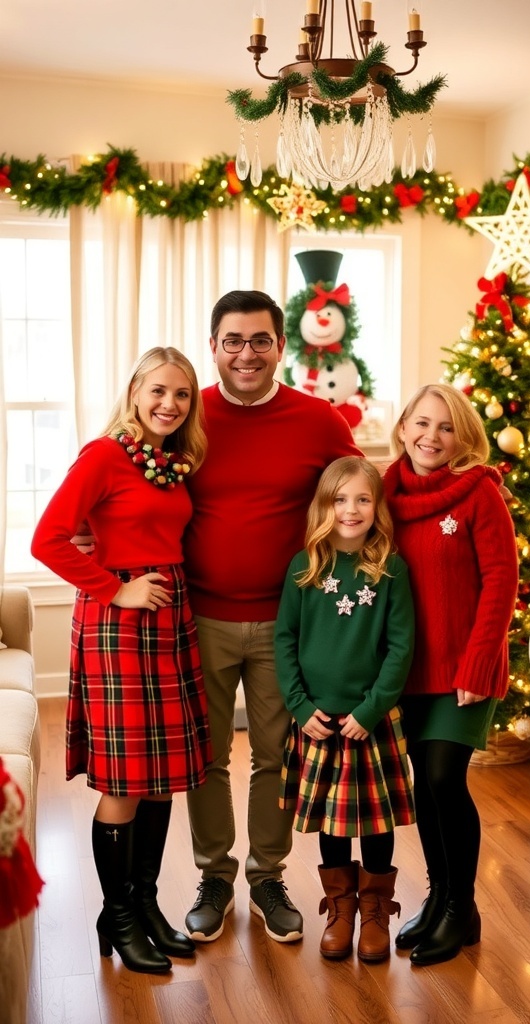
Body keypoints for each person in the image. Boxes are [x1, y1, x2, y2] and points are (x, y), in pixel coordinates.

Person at [183, 290, 363, 944]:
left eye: (260, 340)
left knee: (276, 755)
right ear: (214, 346)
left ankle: (267, 875)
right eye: (233, 340)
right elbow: (126, 477)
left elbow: (359, 500)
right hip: (200, 616)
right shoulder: (188, 414)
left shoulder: (318, 421)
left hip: (291, 626)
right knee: (205, 758)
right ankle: (214, 875)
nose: (247, 353)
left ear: (281, 346)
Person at [31, 347, 212, 975]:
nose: (169, 404)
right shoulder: (104, 455)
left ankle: (144, 902)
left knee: (159, 774)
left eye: (182, 395)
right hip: (119, 622)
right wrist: (115, 586)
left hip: (170, 613)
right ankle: (120, 914)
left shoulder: (170, 462)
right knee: (125, 779)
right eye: (158, 390)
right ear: (135, 390)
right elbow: (46, 537)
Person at [382, 383, 519, 966]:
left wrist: (480, 661)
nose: (430, 437)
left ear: (461, 436)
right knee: (423, 785)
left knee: (443, 778)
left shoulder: (479, 495)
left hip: (464, 667)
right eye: (421, 423)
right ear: (404, 426)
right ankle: (442, 899)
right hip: (408, 669)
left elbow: (501, 582)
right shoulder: (385, 492)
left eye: (444, 427)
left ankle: (460, 907)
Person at [274, 457, 415, 962]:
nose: (351, 510)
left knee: (376, 824)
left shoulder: (390, 569)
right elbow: (284, 640)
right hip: (317, 721)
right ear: (323, 506)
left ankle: (376, 908)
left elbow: (401, 649)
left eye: (362, 499)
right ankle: (340, 907)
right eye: (340, 499)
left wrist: (372, 709)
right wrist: (298, 703)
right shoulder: (304, 566)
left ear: (377, 507)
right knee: (332, 823)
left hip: (369, 723)